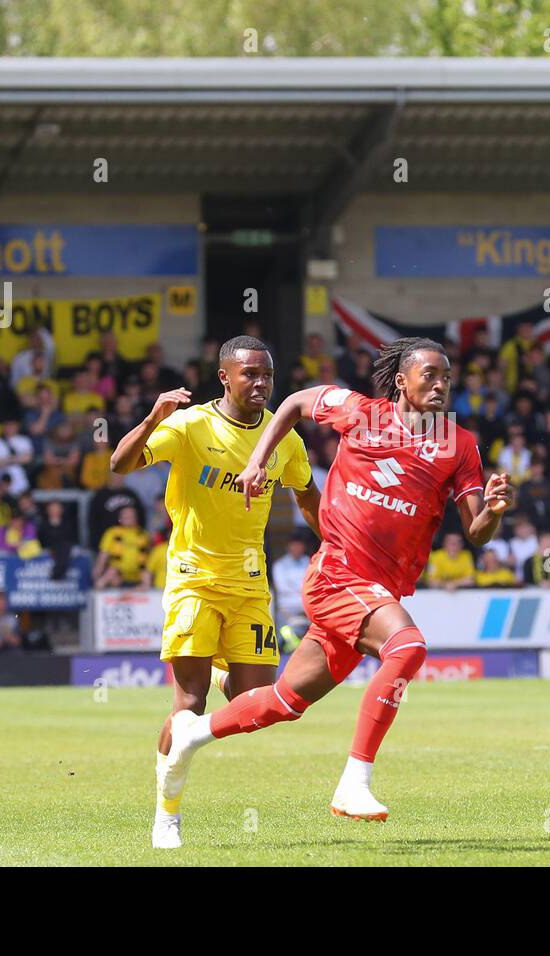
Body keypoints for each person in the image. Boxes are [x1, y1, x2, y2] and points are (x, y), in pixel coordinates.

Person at [158, 336, 512, 837]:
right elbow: (296, 403)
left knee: (282, 702)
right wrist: (259, 459)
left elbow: (475, 532)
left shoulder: (461, 445)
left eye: (446, 377)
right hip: (338, 574)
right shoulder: (360, 412)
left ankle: (195, 734)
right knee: (407, 647)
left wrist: (494, 511)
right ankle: (354, 781)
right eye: (429, 375)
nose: (439, 385)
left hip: (379, 589)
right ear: (401, 381)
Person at [108, 334, 320, 851]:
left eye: (267, 375)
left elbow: (309, 496)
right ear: (224, 376)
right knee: (189, 702)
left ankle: (221, 668)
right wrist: (153, 416)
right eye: (250, 374)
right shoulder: (190, 425)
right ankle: (166, 816)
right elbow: (120, 464)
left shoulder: (283, 438)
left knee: (262, 704)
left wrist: (337, 544)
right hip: (193, 579)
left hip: (250, 583)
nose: (261, 383)